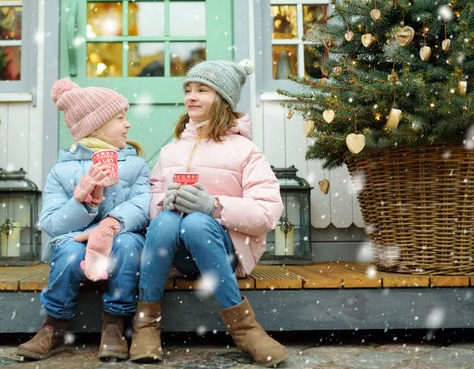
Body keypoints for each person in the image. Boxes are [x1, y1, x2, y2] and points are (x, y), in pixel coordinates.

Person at [129, 59, 290, 367]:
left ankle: (245, 330)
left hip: (226, 253)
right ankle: (146, 325)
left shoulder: (245, 151)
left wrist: (216, 206)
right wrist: (166, 201)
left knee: (199, 224)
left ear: (223, 99)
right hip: (179, 257)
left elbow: (268, 212)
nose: (191, 96)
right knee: (164, 220)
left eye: (202, 90)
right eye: (188, 89)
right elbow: (149, 197)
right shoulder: (171, 150)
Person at [17, 79, 151, 361]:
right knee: (67, 251)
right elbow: (52, 225)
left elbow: (143, 205)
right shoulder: (61, 171)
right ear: (96, 127)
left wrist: (111, 223)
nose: (127, 125)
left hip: (120, 234)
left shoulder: (136, 164)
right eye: (119, 118)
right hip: (76, 238)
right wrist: (80, 201)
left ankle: (114, 322)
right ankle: (54, 324)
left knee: (129, 247)